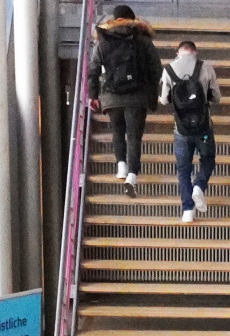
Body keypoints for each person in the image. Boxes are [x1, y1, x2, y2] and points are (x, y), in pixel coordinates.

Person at [86, 4, 159, 197]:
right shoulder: (142, 39)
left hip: (112, 95)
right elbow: (156, 69)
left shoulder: (103, 40)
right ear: (132, 19)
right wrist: (152, 95)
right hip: (138, 95)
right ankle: (132, 176)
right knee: (134, 136)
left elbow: (93, 70)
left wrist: (93, 95)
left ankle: (121, 166)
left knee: (118, 132)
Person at [159, 39, 222, 222]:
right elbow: (217, 97)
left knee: (183, 169)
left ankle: (188, 210)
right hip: (203, 127)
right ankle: (199, 186)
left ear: (178, 53)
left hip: (181, 131)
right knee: (208, 160)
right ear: (195, 52)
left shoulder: (169, 69)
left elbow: (164, 100)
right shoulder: (206, 67)